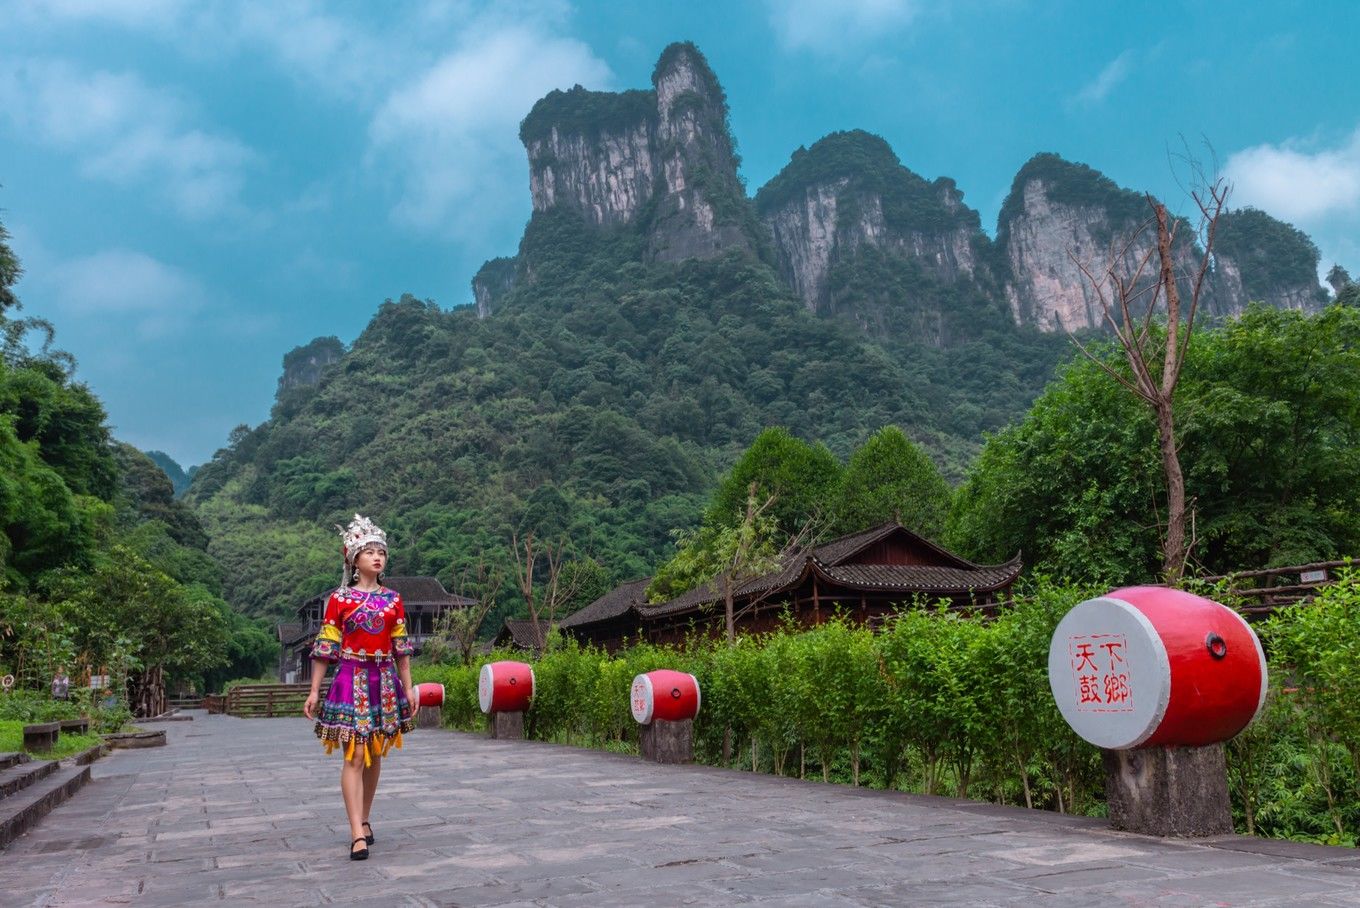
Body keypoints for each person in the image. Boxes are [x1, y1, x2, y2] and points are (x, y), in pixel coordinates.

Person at [303, 514, 418, 860]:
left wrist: (410, 688)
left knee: (375, 754)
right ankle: (356, 832)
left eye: (380, 551)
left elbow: (401, 648)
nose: (377, 557)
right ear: (354, 559)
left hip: (383, 680)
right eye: (369, 552)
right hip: (350, 678)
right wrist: (313, 690)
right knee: (354, 754)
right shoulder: (339, 600)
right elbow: (326, 647)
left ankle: (365, 819)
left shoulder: (393, 600)